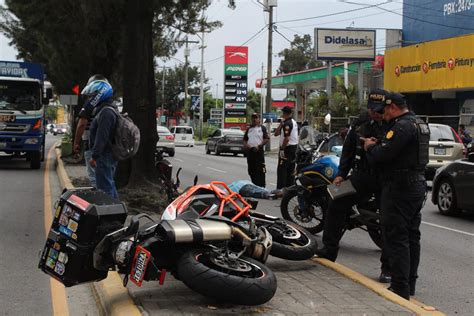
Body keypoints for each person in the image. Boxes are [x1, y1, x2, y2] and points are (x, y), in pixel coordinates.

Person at [316, 89, 391, 283]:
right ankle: (329, 251)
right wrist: (341, 174)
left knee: (389, 220)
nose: (375, 113)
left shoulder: (394, 123)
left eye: (379, 110)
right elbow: (348, 149)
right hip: (363, 176)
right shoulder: (360, 122)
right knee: (335, 198)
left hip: (386, 179)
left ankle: (388, 268)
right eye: (372, 109)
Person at [363, 92, 429, 300]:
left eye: (385, 111)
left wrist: (370, 147)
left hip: (400, 187)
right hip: (417, 185)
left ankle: (400, 286)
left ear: (392, 107)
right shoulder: (420, 124)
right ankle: (409, 284)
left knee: (397, 237)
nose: (383, 116)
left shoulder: (401, 126)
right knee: (411, 235)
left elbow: (383, 156)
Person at [81, 78, 119, 199]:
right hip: (107, 154)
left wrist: (95, 156)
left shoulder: (106, 112)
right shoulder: (106, 109)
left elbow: (102, 136)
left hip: (104, 155)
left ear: (100, 94)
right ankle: (116, 213)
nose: (90, 99)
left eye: (92, 96)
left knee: (105, 188)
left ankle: (109, 215)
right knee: (109, 185)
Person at [73, 74, 110, 187]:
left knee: (94, 177)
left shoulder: (90, 104)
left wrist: (76, 142)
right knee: (107, 178)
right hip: (107, 146)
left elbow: (82, 124)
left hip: (91, 144)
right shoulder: (109, 104)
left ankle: (100, 201)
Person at [274, 106, 298, 189]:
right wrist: (281, 124)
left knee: (282, 169)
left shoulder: (287, 124)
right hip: (293, 148)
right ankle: (289, 189)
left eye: (283, 113)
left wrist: (282, 149)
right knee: (290, 169)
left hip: (287, 149)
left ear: (285, 113)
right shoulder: (292, 122)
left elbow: (287, 139)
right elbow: (276, 133)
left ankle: (281, 189)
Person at [243, 113, 269, 187]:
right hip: (250, 152)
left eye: (256, 118)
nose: (254, 119)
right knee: (251, 170)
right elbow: (244, 140)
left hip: (258, 152)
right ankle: (254, 184)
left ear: (259, 119)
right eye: (253, 118)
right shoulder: (249, 129)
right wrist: (247, 145)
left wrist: (260, 145)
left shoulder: (262, 128)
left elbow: (266, 138)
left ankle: (262, 185)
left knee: (260, 169)